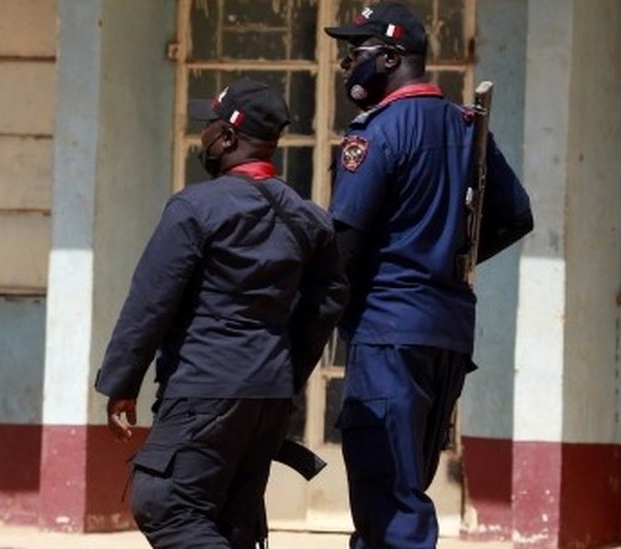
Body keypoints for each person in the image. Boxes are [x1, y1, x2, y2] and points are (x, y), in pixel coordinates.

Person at [93, 78, 349, 549]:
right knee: (233, 522)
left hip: (205, 387)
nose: (203, 137)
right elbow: (329, 301)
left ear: (228, 137)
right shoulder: (309, 217)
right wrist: (286, 373)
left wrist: (121, 384)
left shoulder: (195, 208)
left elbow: (151, 301)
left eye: (209, 126)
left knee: (165, 505)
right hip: (268, 396)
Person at [324, 3, 533, 548]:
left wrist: (310, 318)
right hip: (443, 332)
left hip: (388, 330)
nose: (348, 68)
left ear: (392, 57)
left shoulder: (376, 134)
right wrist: (445, 258)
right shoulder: (466, 127)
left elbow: (343, 241)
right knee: (402, 482)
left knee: (389, 494)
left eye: (355, 55)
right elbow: (515, 216)